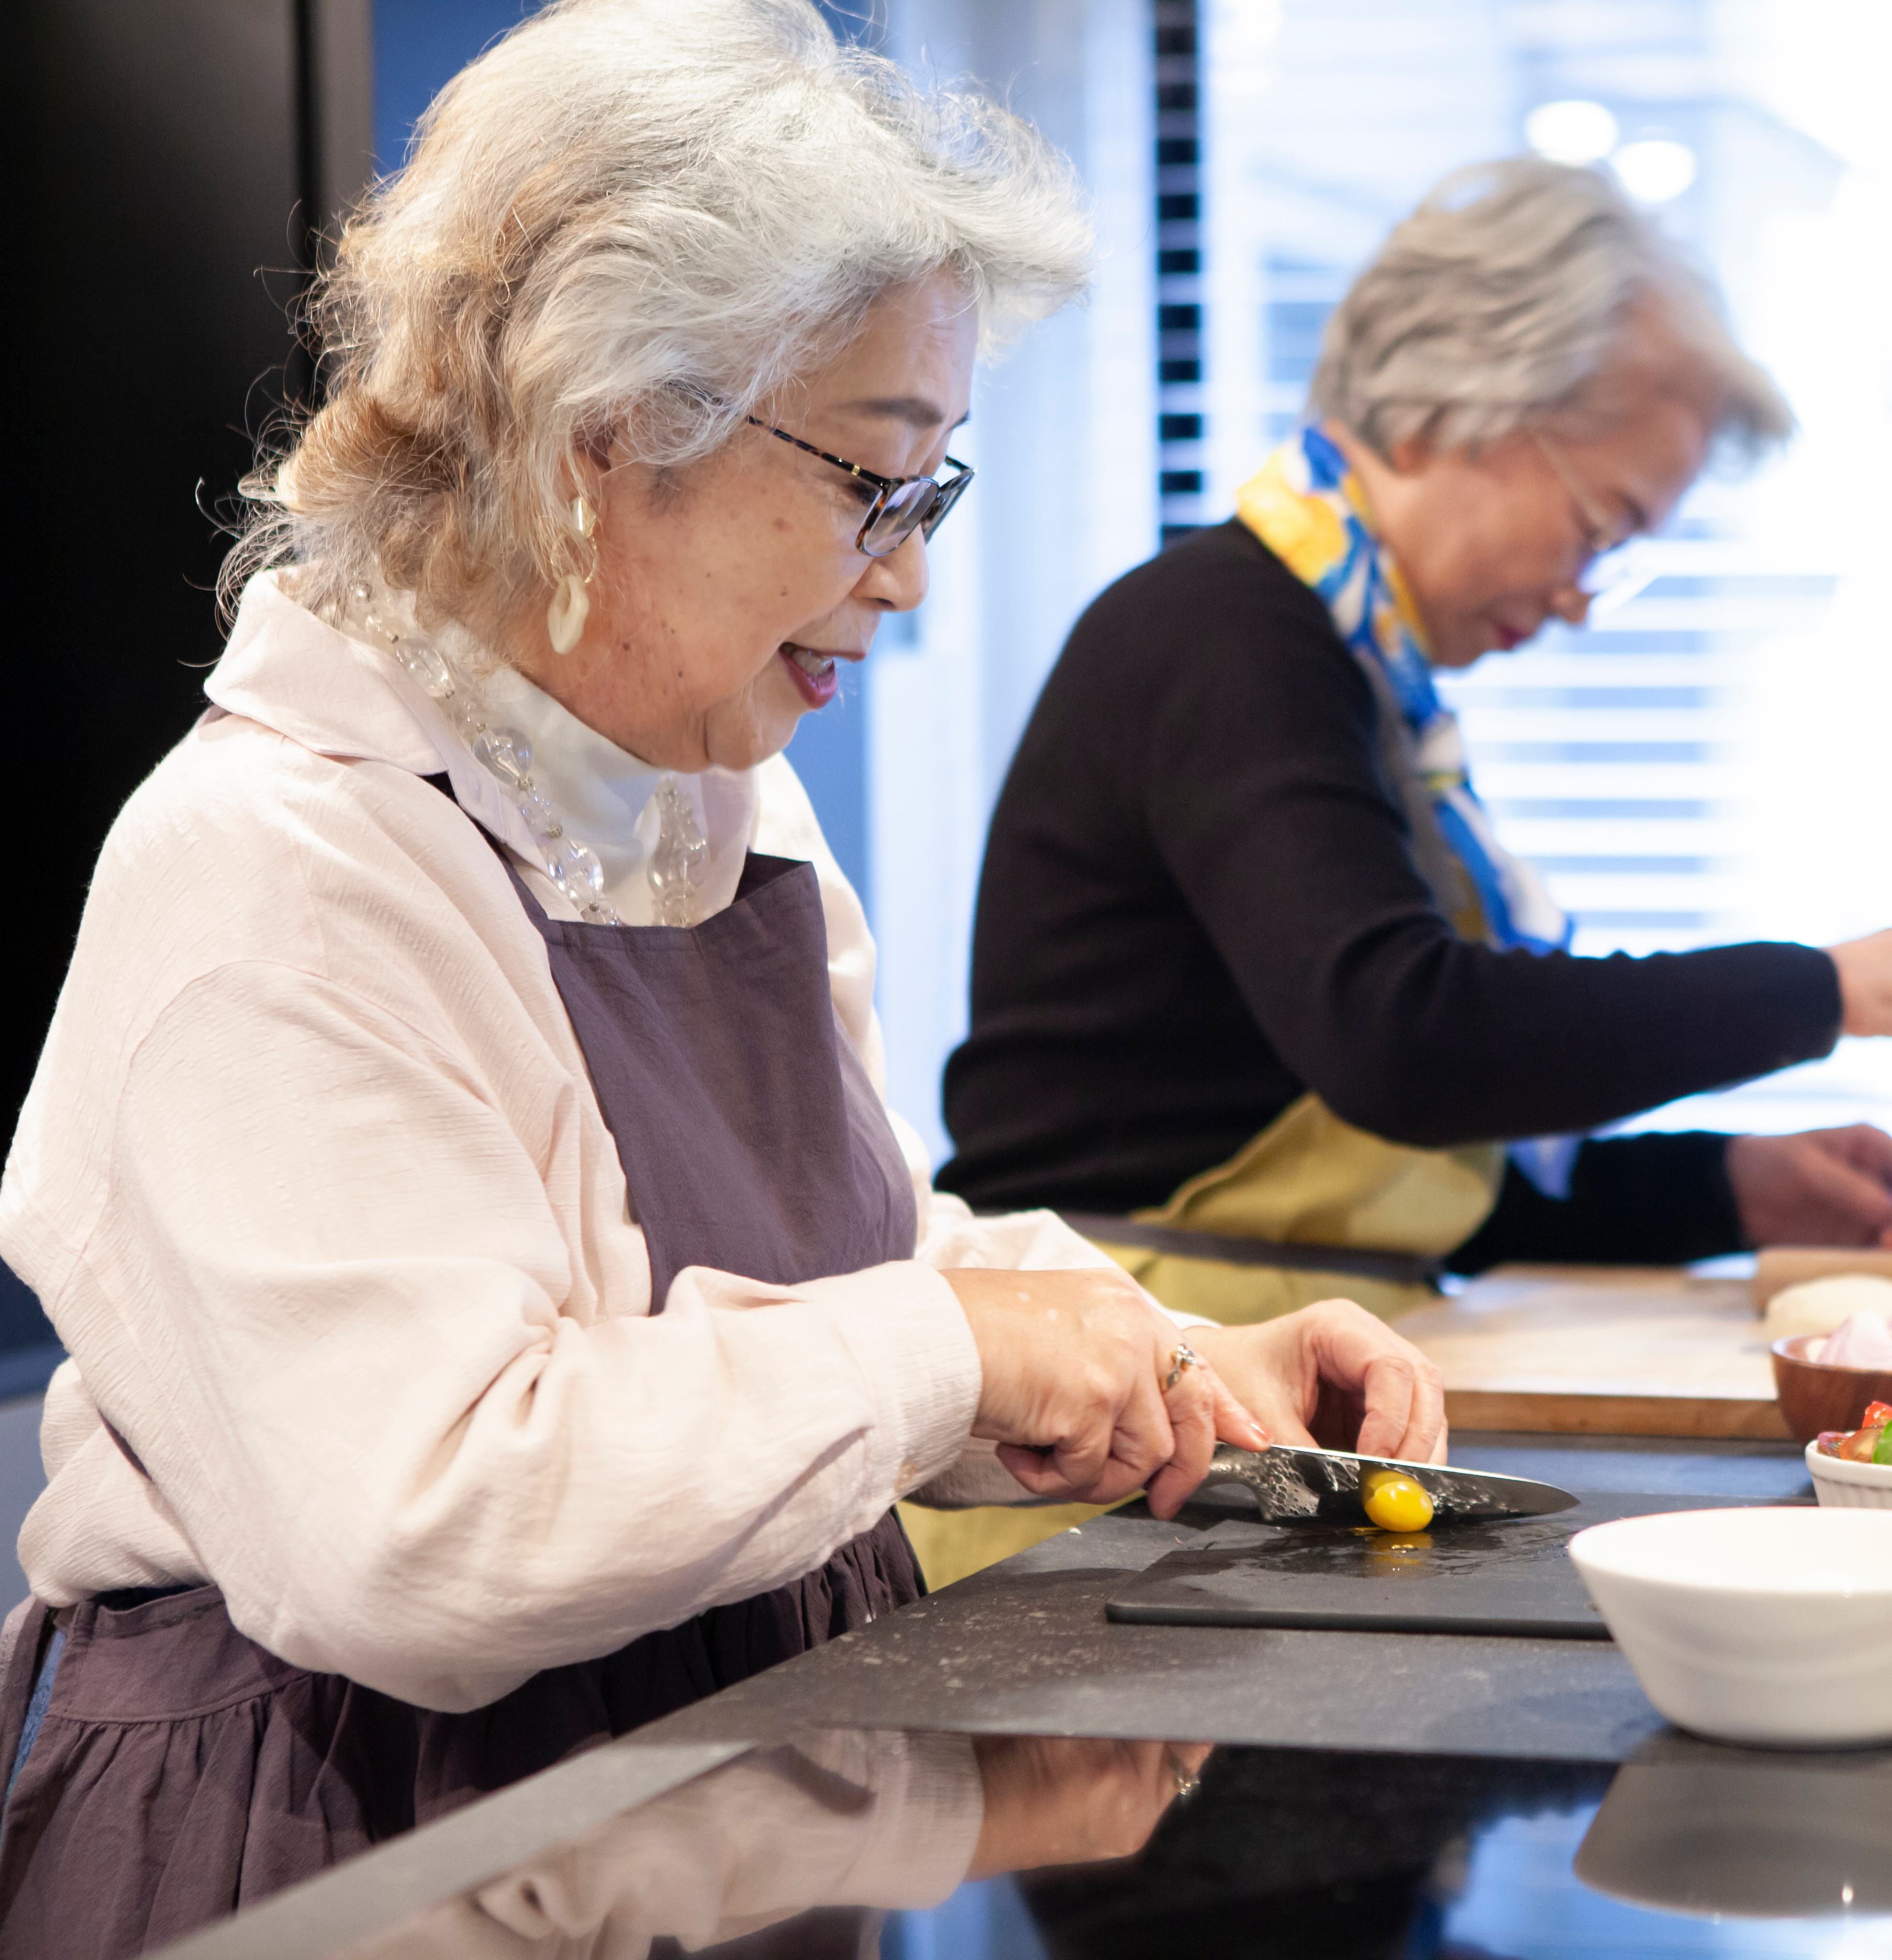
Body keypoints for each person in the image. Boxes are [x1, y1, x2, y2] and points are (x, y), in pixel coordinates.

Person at [0, 3, 1437, 1944]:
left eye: (934, 494)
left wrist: (1153, 1359)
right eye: (872, 478)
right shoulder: (277, 869)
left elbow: (805, 1293)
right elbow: (423, 1533)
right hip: (365, 1838)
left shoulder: (712, 803)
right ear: (603, 435)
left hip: (728, 1779)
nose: (909, 572)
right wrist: (959, 1349)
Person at [936, 158, 1892, 1330]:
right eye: (1601, 526)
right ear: (1462, 408)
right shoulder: (1230, 635)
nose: (1584, 598)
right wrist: (1823, 990)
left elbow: (1412, 1187)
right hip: (1102, 1375)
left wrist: (1726, 1186)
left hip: (1224, 1325)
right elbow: (1402, 1043)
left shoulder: (1360, 671)